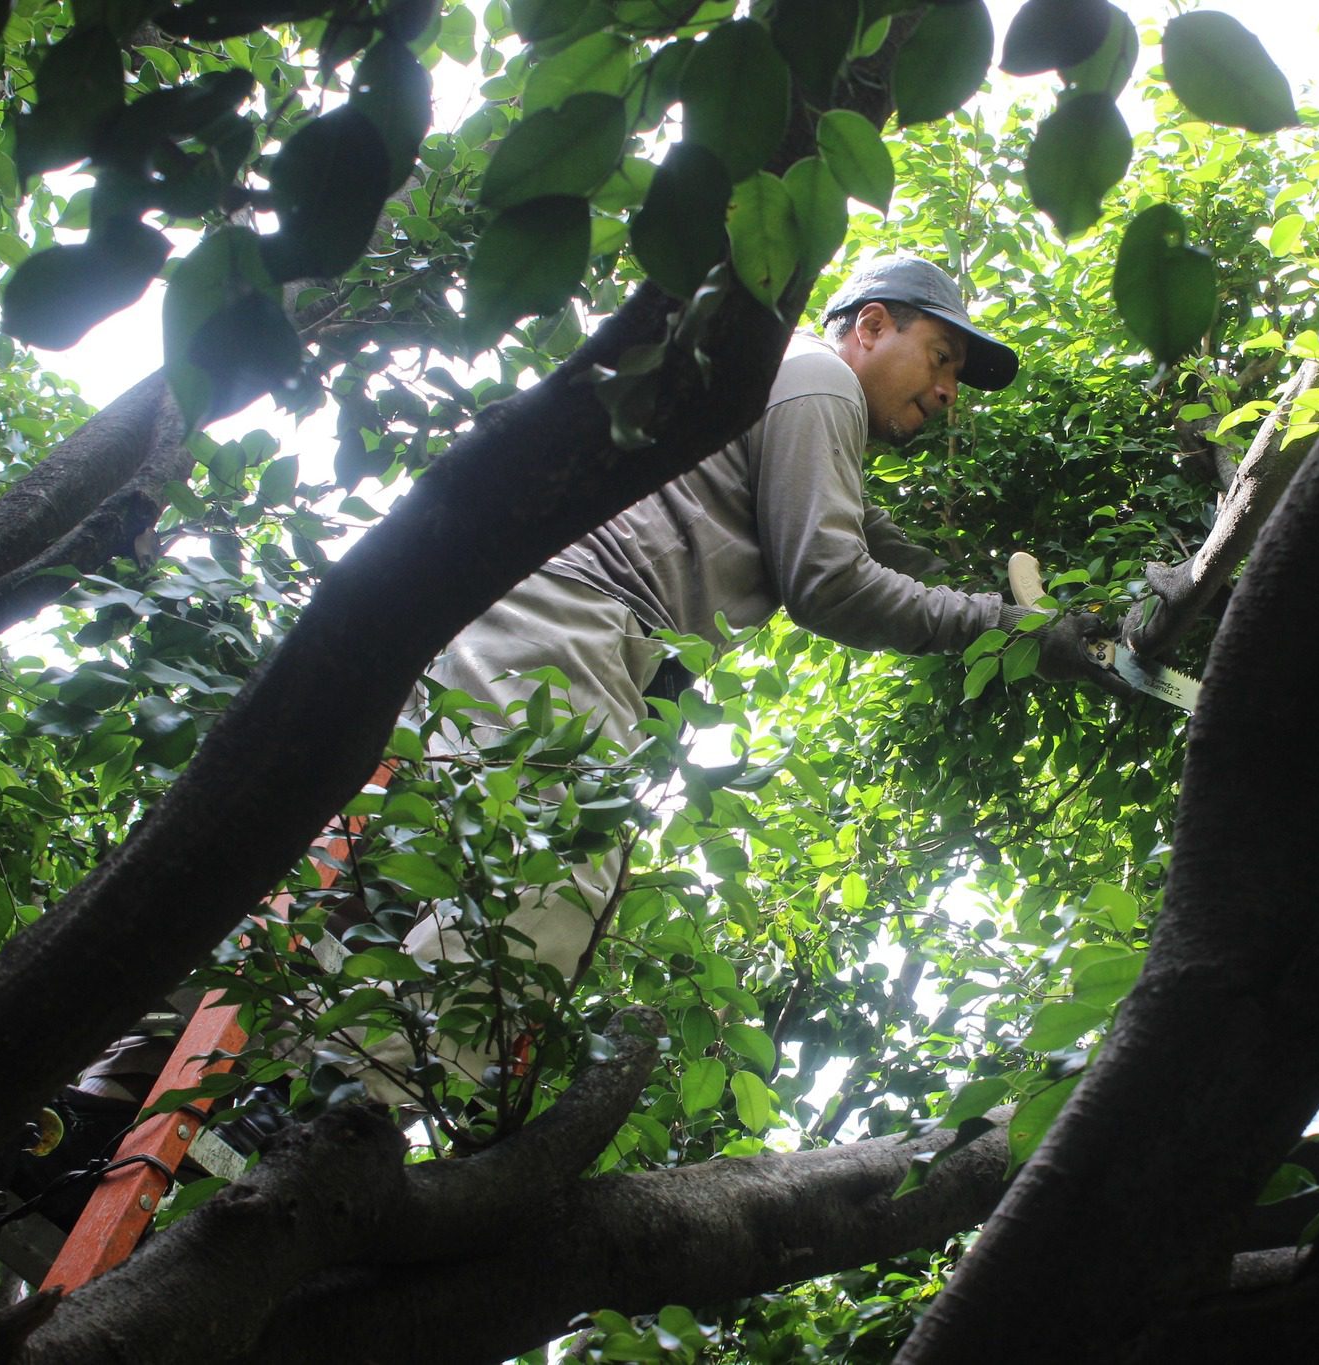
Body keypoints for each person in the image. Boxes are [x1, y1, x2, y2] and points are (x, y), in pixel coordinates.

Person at [372, 256, 1121, 1095]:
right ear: (870, 326)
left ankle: (307, 1085)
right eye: (942, 357)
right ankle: (342, 1125)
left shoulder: (790, 398)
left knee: (464, 889)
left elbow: (884, 549)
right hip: (567, 629)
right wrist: (1002, 623)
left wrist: (1044, 614)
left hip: (558, 632)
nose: (950, 392)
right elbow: (831, 580)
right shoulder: (817, 380)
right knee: (541, 890)